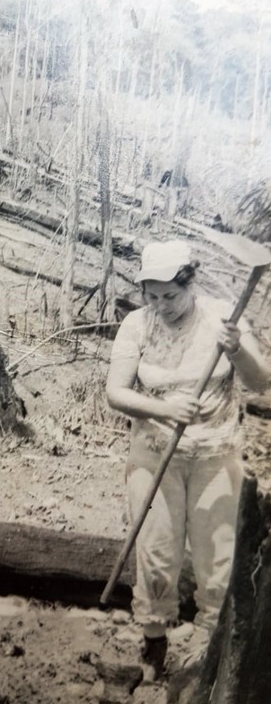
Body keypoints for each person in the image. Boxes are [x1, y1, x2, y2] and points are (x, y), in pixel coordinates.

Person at [106, 239, 271, 677]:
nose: (162, 306)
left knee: (217, 559)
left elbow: (261, 381)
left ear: (190, 283)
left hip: (217, 451)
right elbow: (115, 392)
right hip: (156, 453)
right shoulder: (137, 326)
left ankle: (213, 658)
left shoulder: (223, 316)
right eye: (153, 296)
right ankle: (154, 647)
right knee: (157, 551)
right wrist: (165, 409)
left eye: (172, 296)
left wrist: (236, 347)